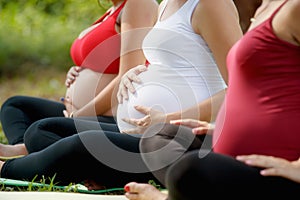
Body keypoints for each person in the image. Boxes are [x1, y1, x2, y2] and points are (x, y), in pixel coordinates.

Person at [0, 0, 243, 189]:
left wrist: (171, 117)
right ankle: (98, 172)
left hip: (178, 139)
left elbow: (243, 89)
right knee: (42, 131)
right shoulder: (168, 4)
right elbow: (177, 63)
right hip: (136, 129)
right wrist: (135, 75)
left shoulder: (211, 5)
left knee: (79, 146)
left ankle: (6, 170)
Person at [124, 0, 300, 199]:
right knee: (161, 135)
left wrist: (297, 167)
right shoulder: (265, 8)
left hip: (276, 162)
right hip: (238, 154)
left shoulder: (295, 8)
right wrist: (226, 127)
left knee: (190, 170)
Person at [0, 0, 158, 157]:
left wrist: (80, 115)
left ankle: (30, 150)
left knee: (40, 132)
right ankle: (25, 148)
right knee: (15, 106)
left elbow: (129, 73)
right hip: (79, 112)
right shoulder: (112, 10)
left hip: (111, 116)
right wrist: (80, 69)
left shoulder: (138, 3)